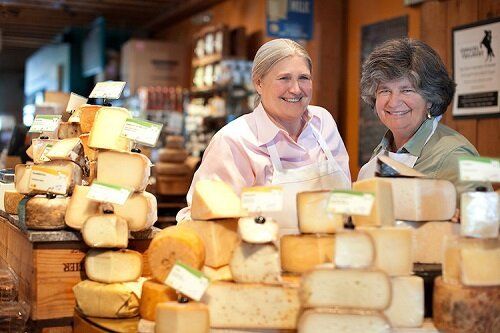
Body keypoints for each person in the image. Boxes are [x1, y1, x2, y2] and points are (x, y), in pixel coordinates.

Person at [177, 38, 351, 235]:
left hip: (332, 257)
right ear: (259, 83)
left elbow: (345, 198)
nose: (295, 89)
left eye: (304, 78)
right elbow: (197, 218)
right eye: (284, 78)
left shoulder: (323, 122)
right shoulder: (233, 140)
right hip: (263, 260)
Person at [358, 38, 486, 195]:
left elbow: (484, 217)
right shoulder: (384, 149)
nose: (393, 102)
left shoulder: (456, 155)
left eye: (407, 90)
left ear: (430, 99)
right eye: (385, 90)